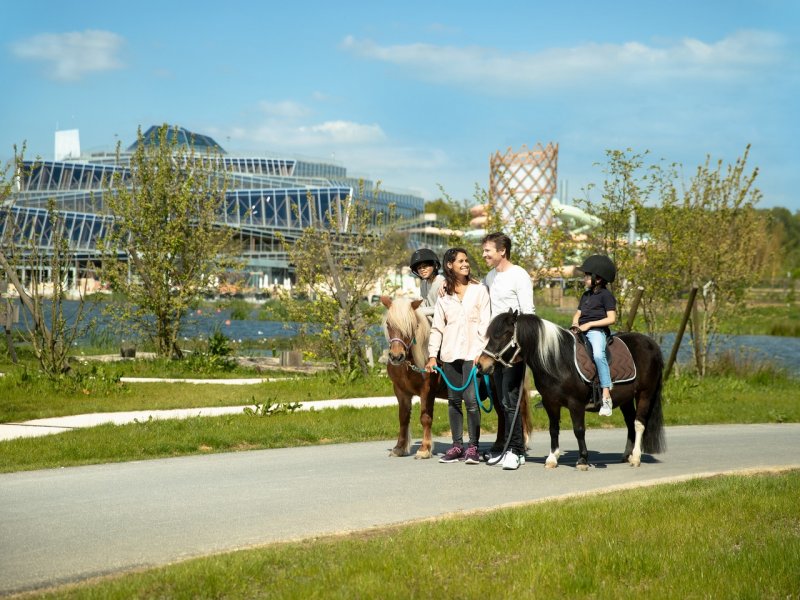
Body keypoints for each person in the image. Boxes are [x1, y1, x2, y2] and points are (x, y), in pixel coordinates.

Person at [425, 248, 491, 465]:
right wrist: (432, 356)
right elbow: (437, 327)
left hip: (472, 354)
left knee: (471, 400)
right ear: (450, 265)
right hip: (450, 354)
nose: (465, 263)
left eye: (466, 260)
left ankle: (473, 447)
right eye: (460, 261)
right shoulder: (445, 296)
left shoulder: (479, 290)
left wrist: (480, 351)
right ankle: (456, 446)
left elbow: (485, 323)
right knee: (453, 400)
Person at [481, 232, 534, 470]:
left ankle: (515, 451)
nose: (484, 255)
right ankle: (512, 449)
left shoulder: (519, 275)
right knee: (502, 400)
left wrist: (522, 348)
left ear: (502, 251)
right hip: (495, 349)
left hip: (513, 349)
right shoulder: (489, 277)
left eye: (487, 251)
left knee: (511, 400)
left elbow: (528, 312)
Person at [572, 255, 618, 417]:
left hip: (596, 332)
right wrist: (576, 324)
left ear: (597, 279)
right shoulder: (586, 296)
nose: (584, 278)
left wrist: (590, 325)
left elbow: (612, 319)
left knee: (599, 355)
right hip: (580, 330)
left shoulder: (606, 296)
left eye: (586, 275)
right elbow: (577, 314)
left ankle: (606, 395)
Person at [409, 248, 444, 320]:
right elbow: (423, 303)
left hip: (444, 325)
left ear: (435, 266)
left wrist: (418, 311)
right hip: (430, 325)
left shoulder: (442, 282)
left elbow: (442, 308)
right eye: (419, 268)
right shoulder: (424, 283)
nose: (422, 269)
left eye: (425, 266)